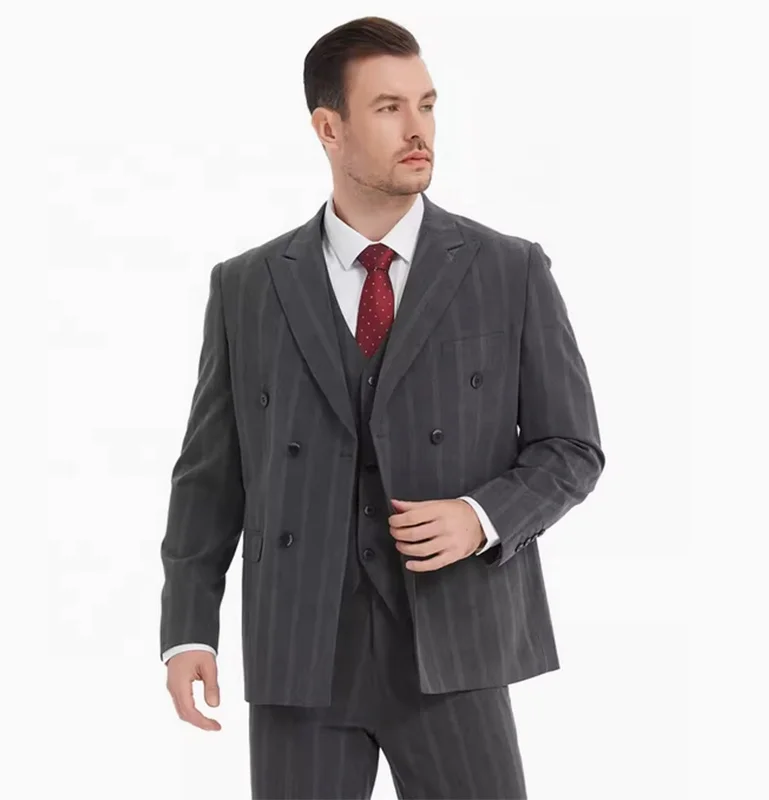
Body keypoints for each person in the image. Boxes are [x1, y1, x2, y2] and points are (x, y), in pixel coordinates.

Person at [159, 15, 605, 799]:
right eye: (389, 108)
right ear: (328, 128)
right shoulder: (246, 286)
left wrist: (481, 516)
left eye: (426, 105)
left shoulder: (509, 269)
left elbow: (571, 448)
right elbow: (210, 476)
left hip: (452, 643)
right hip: (301, 650)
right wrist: (188, 629)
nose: (417, 129)